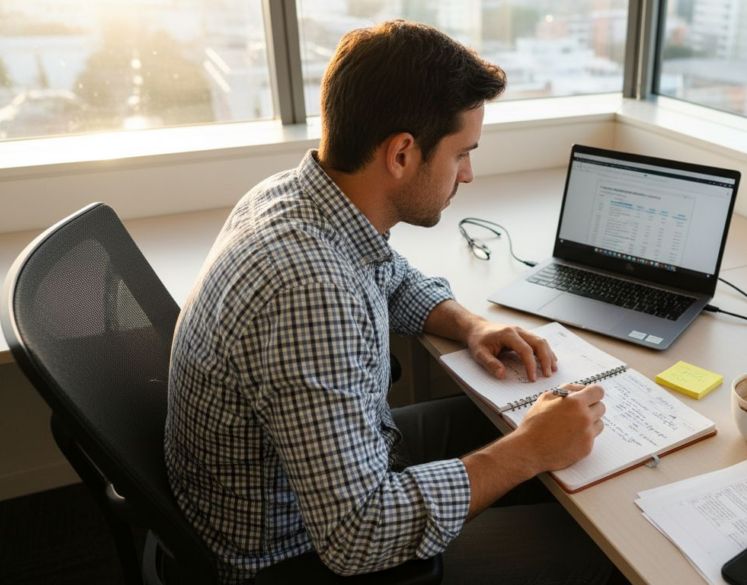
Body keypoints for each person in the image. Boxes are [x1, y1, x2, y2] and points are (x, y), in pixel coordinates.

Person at [165, 20, 614, 585]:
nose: (469, 175)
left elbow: (389, 274)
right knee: (599, 557)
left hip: (313, 479)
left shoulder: (296, 195)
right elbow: (359, 534)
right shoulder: (311, 290)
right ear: (402, 153)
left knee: (531, 432)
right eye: (461, 154)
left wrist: (470, 324)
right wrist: (528, 453)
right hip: (292, 556)